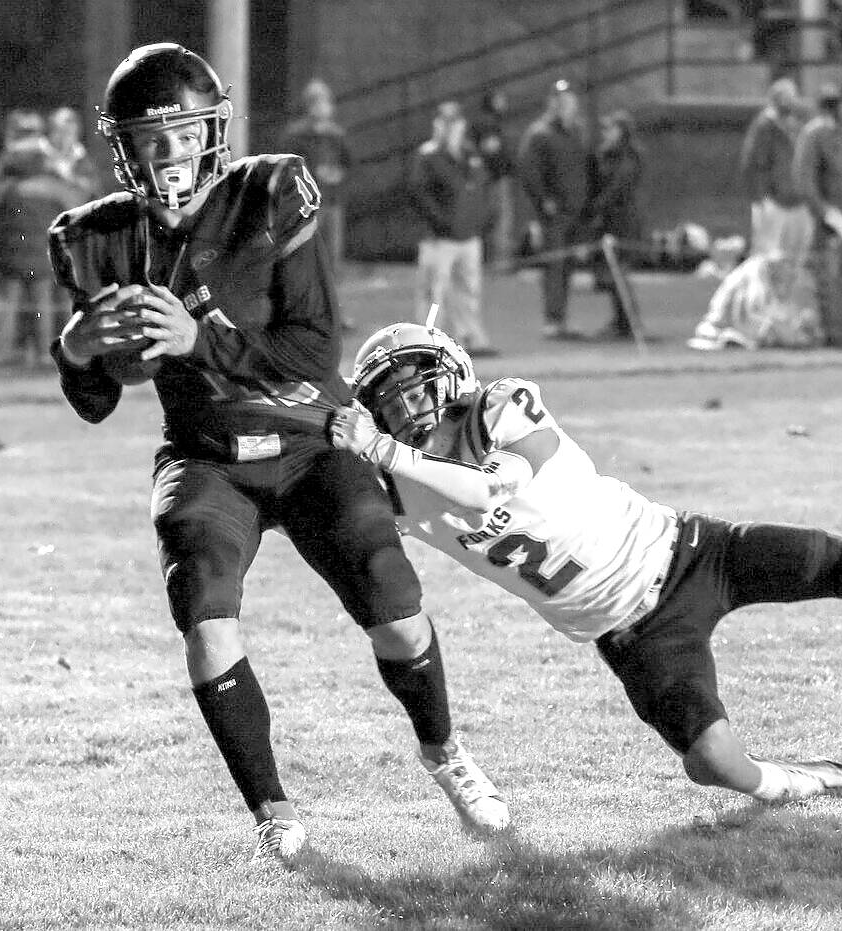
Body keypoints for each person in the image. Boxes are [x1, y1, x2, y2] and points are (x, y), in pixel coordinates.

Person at [329, 322, 842, 806]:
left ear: (451, 376)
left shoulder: (502, 406)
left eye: (415, 384)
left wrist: (387, 452)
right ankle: (800, 784)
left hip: (693, 550)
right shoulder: (391, 484)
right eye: (389, 397)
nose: (408, 406)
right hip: (631, 629)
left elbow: (491, 491)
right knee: (714, 766)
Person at [46, 44, 508, 863]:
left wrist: (201, 338)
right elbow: (96, 403)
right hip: (206, 454)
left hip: (308, 438)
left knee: (394, 603)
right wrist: (77, 349)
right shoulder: (99, 239)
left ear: (213, 132)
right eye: (147, 137)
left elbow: (310, 349)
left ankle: (444, 749)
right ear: (120, 146)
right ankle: (273, 807)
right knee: (205, 619)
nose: (167, 154)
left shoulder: (267, 196)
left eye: (182, 132)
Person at [0, 109, 82, 366]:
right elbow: (75, 201)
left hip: (8, 249)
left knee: (8, 303)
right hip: (44, 251)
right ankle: (46, 354)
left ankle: (7, 354)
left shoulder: (1, 170)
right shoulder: (52, 168)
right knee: (42, 303)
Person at [409, 101, 494, 357]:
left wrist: (480, 220)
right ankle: (427, 341)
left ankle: (468, 337)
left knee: (468, 290)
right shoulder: (428, 155)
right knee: (434, 292)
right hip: (439, 238)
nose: (450, 128)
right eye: (445, 122)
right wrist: (440, 222)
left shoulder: (469, 154)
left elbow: (482, 187)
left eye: (454, 123)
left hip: (468, 235)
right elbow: (419, 194)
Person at [516, 79, 592, 341]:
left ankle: (562, 320)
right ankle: (553, 320)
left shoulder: (577, 131)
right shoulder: (540, 133)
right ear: (552, 103)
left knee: (568, 266)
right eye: (560, 101)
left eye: (569, 100)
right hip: (555, 214)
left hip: (576, 211)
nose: (565, 106)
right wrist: (543, 200)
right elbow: (528, 171)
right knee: (555, 266)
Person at [792, 85, 842, 348]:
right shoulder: (815, 135)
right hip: (824, 218)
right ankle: (830, 331)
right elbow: (805, 180)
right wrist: (826, 214)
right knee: (826, 276)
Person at [276, 79, 354, 291]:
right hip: (308, 204)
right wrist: (313, 175)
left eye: (325, 102)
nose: (323, 107)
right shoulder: (297, 134)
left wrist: (337, 174)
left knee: (332, 257)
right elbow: (289, 166)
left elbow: (348, 163)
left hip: (332, 201)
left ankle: (334, 309)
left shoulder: (335, 134)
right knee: (309, 255)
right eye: (318, 102)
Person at [739, 77, 812, 277]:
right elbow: (753, 163)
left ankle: (787, 300)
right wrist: (759, 197)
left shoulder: (798, 124)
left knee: (796, 255)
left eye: (792, 96)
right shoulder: (764, 126)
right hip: (771, 199)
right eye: (784, 97)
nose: (789, 101)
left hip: (798, 199)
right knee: (766, 255)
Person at [585, 109, 645, 341]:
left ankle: (629, 322)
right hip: (611, 221)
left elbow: (618, 189)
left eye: (610, 129)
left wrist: (597, 206)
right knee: (613, 274)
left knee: (618, 273)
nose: (605, 133)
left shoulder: (628, 158)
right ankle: (622, 320)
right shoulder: (607, 155)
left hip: (623, 222)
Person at [468, 89, 516, 268]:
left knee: (492, 220)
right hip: (494, 178)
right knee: (500, 220)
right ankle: (500, 262)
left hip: (488, 178)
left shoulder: (486, 121)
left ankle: (491, 260)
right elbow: (492, 150)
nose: (504, 103)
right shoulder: (488, 123)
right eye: (501, 99)